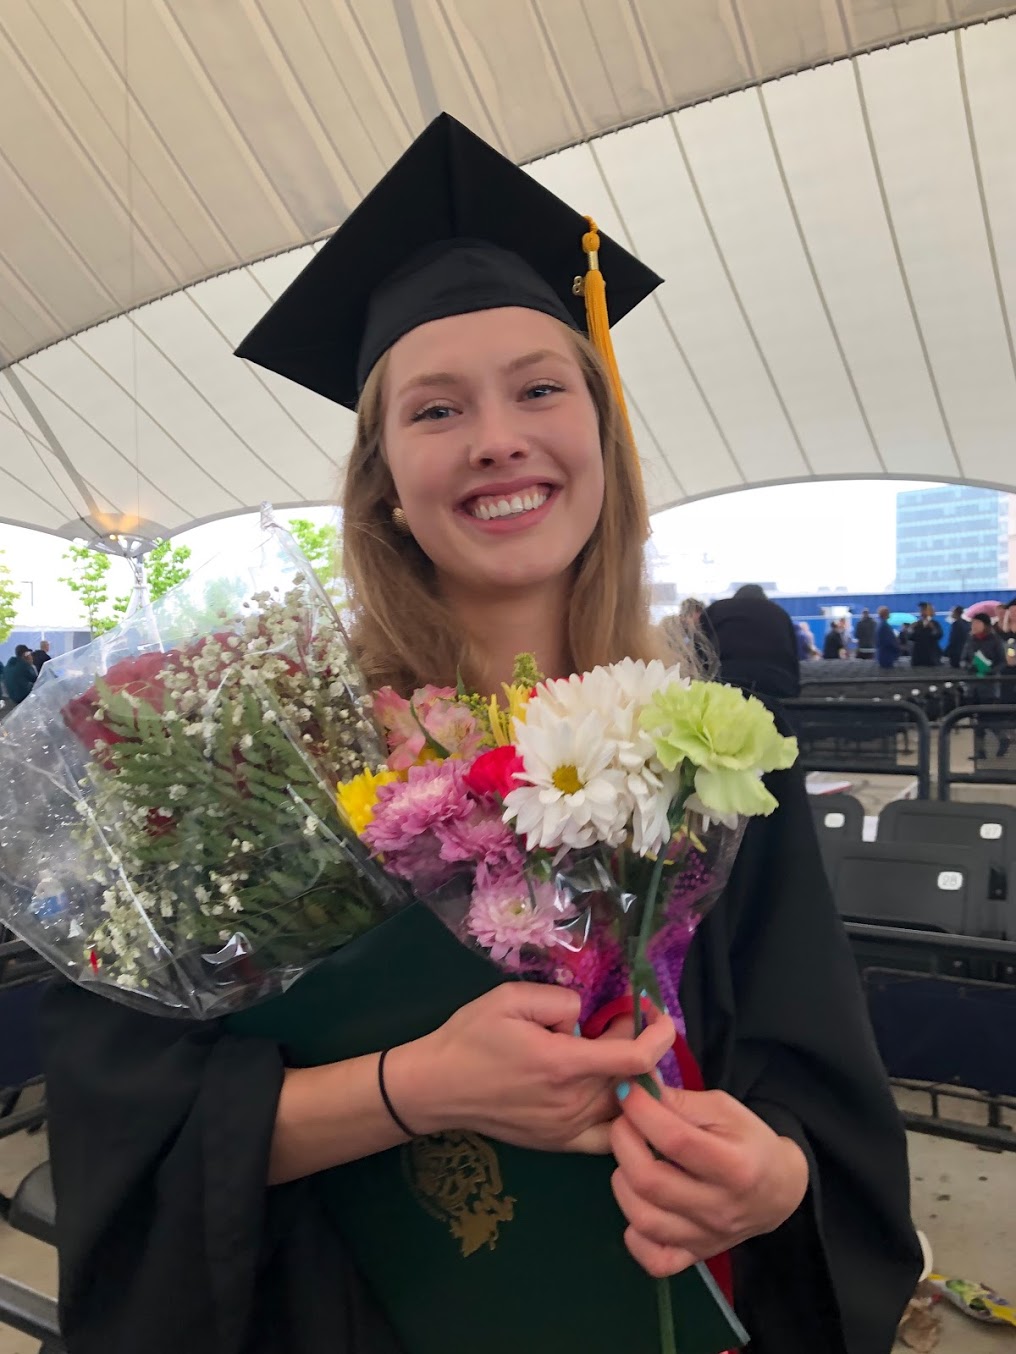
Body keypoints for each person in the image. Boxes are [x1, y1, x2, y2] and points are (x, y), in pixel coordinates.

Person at [40, 114, 920, 1354]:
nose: (497, 436)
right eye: (436, 408)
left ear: (598, 440)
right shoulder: (260, 747)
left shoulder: (709, 758)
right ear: (385, 478)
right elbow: (121, 1124)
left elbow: (810, 1090)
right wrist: (413, 1089)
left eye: (540, 387)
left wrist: (772, 1179)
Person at [703, 588, 800, 703]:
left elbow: (700, 645)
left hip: (725, 677)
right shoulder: (780, 613)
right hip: (776, 681)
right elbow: (793, 655)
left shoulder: (716, 608)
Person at [961, 614, 1008, 758]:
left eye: (977, 623)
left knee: (988, 718)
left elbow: (1002, 662)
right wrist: (970, 666)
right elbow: (962, 659)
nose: (974, 626)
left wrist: (989, 671)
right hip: (973, 685)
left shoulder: (995, 641)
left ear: (985, 625)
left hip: (989, 686)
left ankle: (1002, 738)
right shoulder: (970, 640)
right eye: (972, 623)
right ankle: (980, 750)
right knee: (977, 720)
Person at [908, 603, 942, 668]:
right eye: (921, 610)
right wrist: (910, 629)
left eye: (923, 610)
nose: (921, 612)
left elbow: (939, 636)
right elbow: (911, 637)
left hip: (931, 657)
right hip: (918, 657)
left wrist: (933, 628)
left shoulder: (935, 624)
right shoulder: (916, 624)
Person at [876, 606, 901, 671]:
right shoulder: (885, 626)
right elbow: (889, 640)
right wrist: (897, 647)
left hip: (883, 654)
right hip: (886, 655)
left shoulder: (881, 624)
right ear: (885, 614)